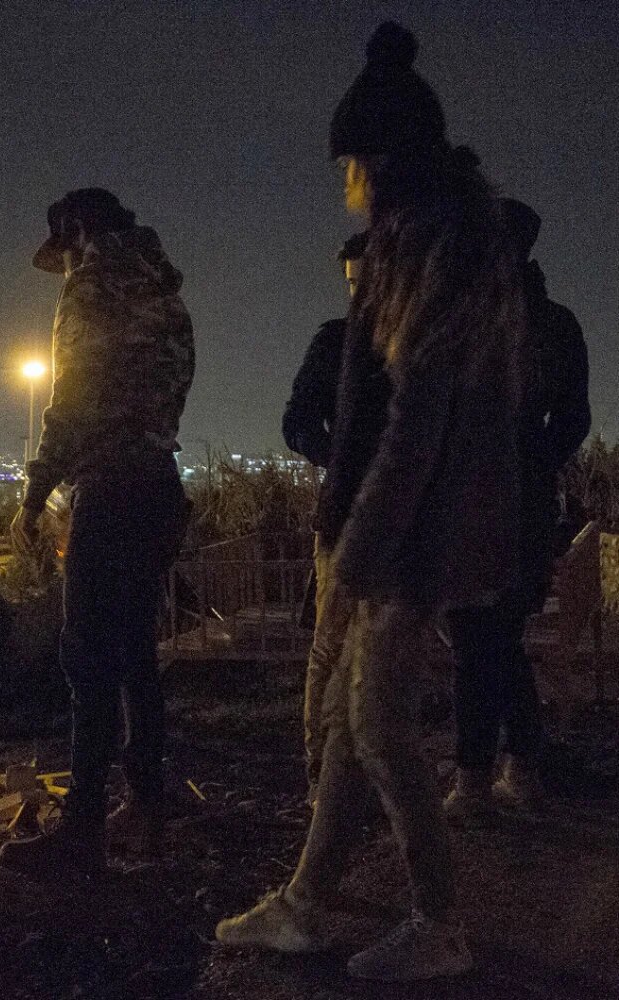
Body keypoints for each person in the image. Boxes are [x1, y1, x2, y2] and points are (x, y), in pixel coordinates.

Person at [216, 22, 524, 981]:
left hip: (413, 531)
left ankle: (441, 923)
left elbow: (416, 418)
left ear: (381, 157)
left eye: (352, 158)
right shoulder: (419, 235)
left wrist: (356, 553)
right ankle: (308, 904)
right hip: (396, 524)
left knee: (380, 727)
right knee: (354, 725)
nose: (344, 177)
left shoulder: (442, 245)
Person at [1, 187, 194, 878]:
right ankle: (145, 805)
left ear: (78, 232)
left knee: (87, 659)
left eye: (67, 247)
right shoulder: (165, 293)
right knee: (137, 653)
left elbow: (73, 396)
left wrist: (35, 493)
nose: (67, 263)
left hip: (108, 489)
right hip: (158, 484)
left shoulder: (91, 288)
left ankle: (81, 831)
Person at [442, 198, 591, 823]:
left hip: (490, 503)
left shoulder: (473, 322)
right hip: (520, 503)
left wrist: (519, 464)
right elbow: (574, 419)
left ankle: (483, 777)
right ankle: (516, 768)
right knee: (492, 637)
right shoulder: (555, 324)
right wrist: (537, 465)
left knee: (482, 638)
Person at [282, 232, 367, 799]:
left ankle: (353, 767)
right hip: (345, 514)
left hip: (394, 515)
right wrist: (339, 457)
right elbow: (296, 421)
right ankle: (323, 771)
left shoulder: (414, 344)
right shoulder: (336, 344)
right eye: (354, 282)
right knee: (332, 644)